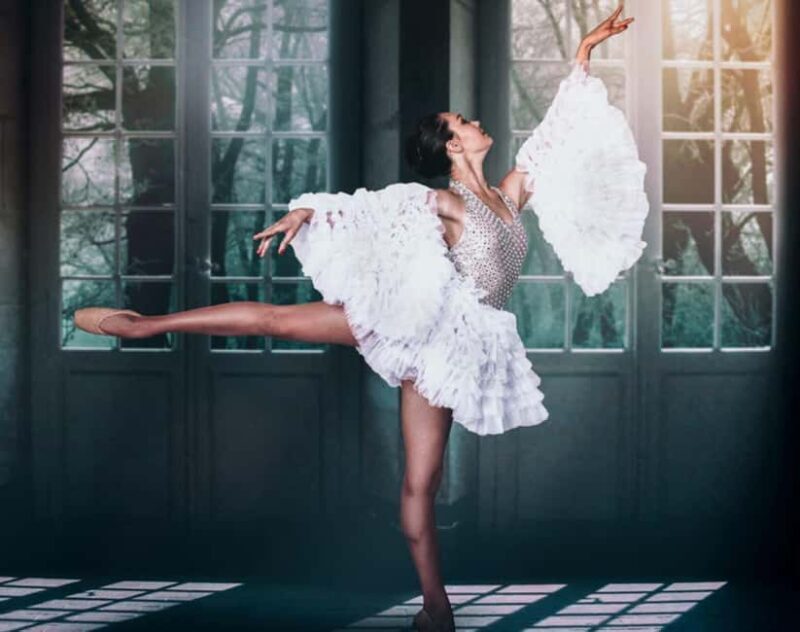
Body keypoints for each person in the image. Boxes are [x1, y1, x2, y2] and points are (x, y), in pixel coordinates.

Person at [74, 5, 643, 631]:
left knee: (421, 482)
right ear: (453, 144)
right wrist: (305, 214)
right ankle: (142, 326)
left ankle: (431, 608)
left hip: (459, 341)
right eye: (464, 121)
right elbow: (370, 208)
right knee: (275, 321)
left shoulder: (507, 194)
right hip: (424, 324)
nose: (477, 122)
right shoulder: (443, 202)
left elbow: (555, 135)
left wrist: (586, 52)